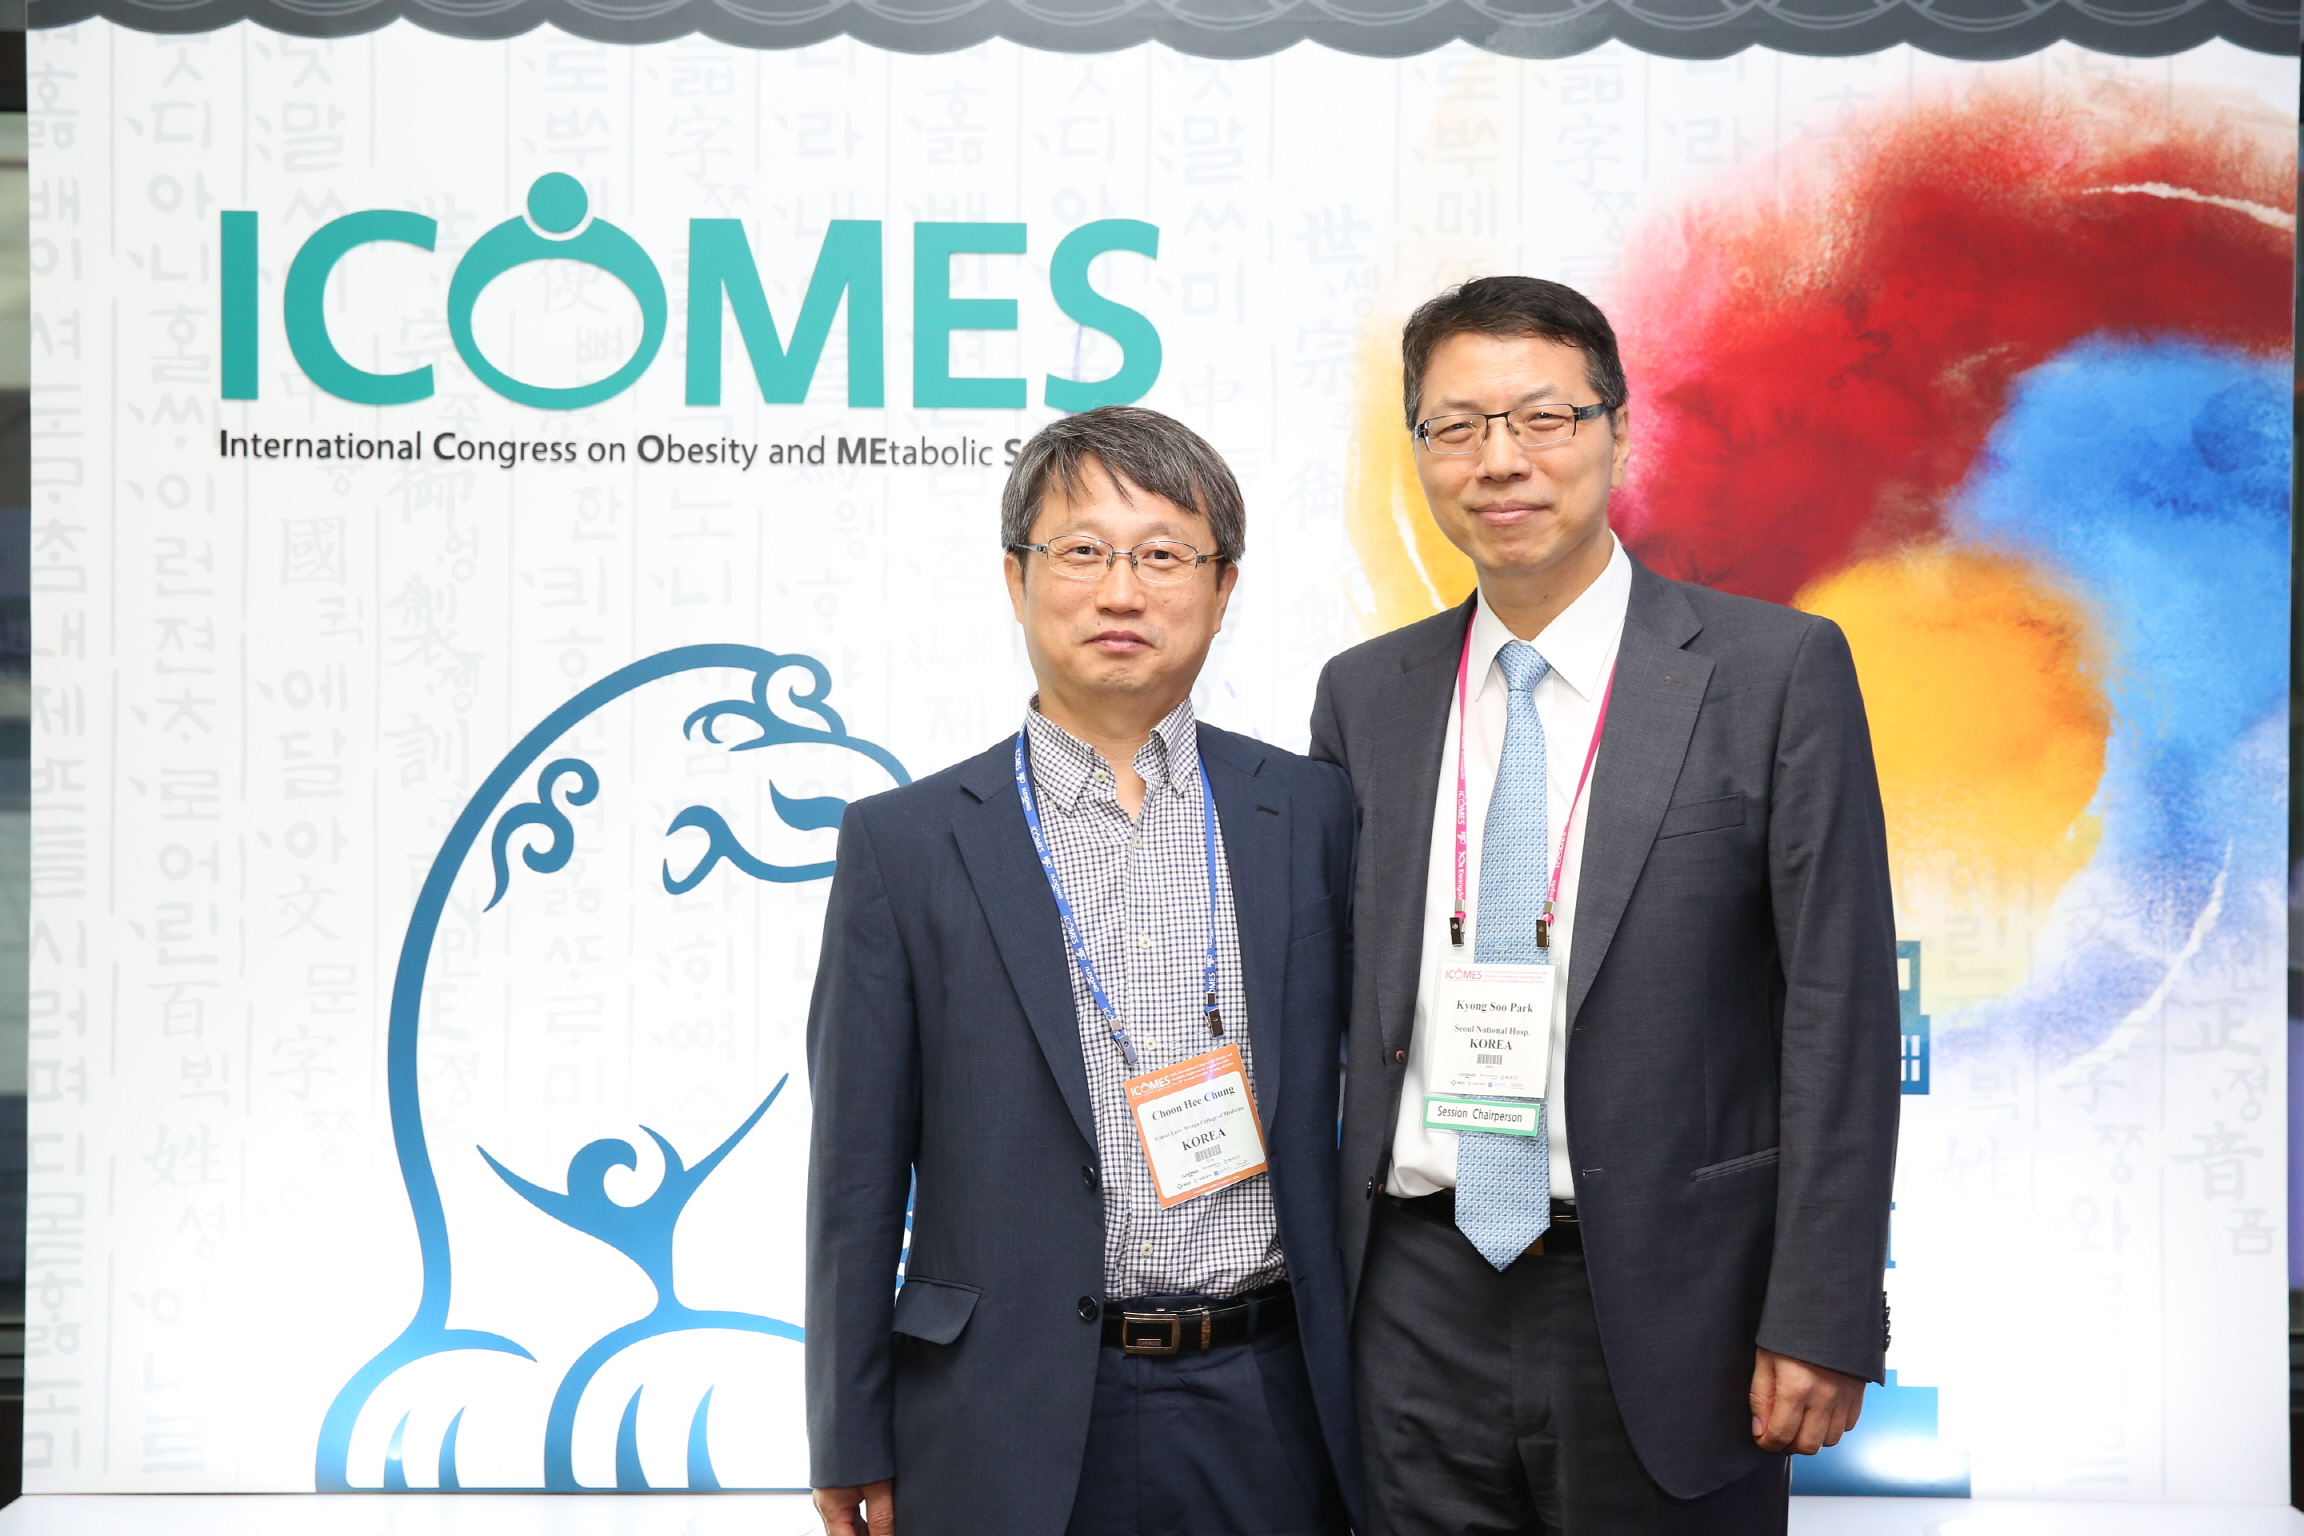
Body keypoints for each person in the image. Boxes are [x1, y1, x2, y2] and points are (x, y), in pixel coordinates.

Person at [1309, 276, 1899, 1534]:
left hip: (1679, 1303)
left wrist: (1823, 1308)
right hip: (1412, 1299)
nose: (1499, 460)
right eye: (1455, 426)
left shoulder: (1773, 673)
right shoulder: (1366, 697)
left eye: (1543, 418)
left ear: (1619, 432)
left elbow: (1840, 1011)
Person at [807, 405, 1364, 1536]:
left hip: (1271, 1397)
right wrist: (847, 1427)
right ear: (1016, 579)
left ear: (1223, 587)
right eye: (1082, 552)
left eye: (1163, 556)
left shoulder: (1314, 811)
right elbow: (855, 1177)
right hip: (1001, 1405)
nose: (1121, 593)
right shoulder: (905, 844)